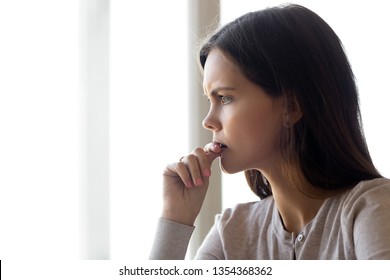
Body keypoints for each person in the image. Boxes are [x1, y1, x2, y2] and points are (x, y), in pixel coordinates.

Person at [149, 4, 390, 260]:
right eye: (211, 99)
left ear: (292, 107)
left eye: (225, 98)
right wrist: (175, 218)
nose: (208, 121)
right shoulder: (231, 233)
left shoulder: (372, 208)